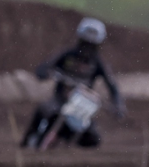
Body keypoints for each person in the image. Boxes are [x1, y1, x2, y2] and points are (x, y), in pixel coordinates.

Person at [22, 17, 125, 148]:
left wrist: (118, 105)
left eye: (92, 45)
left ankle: (71, 152)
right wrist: (47, 73)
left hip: (82, 105)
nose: (87, 49)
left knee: (93, 138)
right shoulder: (67, 54)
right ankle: (26, 143)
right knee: (42, 110)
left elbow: (112, 86)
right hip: (59, 100)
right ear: (80, 40)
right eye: (85, 44)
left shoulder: (99, 63)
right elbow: (43, 68)